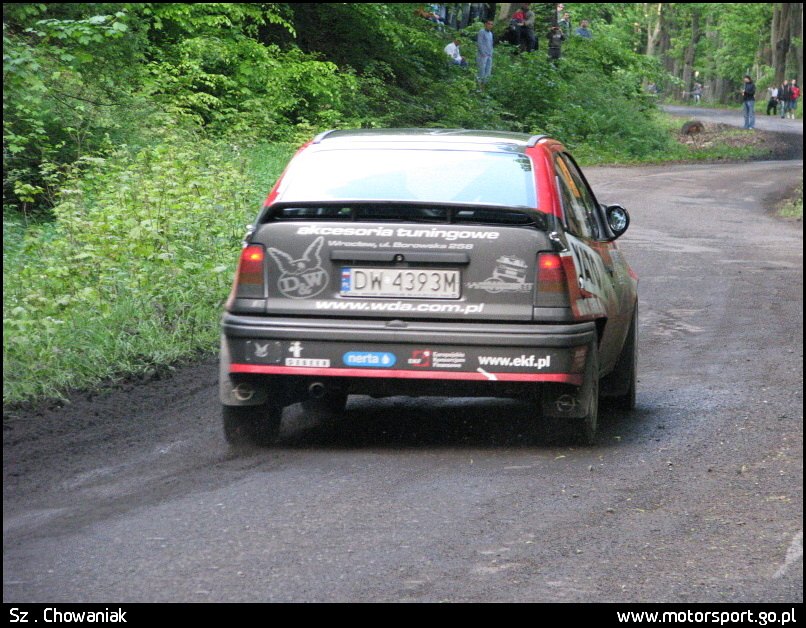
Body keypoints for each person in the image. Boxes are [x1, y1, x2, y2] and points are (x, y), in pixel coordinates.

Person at [476, 20, 494, 90]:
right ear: (485, 24)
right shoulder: (481, 32)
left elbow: (491, 44)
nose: (490, 25)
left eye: (491, 24)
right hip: (482, 55)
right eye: (489, 24)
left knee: (488, 70)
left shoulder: (491, 34)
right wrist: (483, 53)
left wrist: (491, 53)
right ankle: (479, 86)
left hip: (489, 55)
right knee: (481, 70)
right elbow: (479, 43)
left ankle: (484, 86)